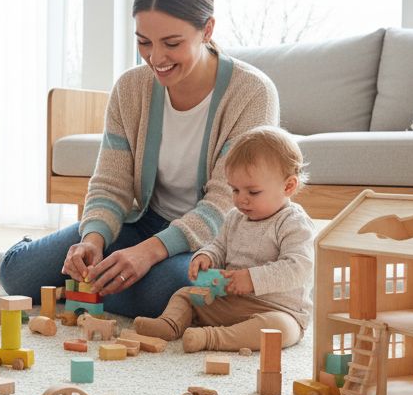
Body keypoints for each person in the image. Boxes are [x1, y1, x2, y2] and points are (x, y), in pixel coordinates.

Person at [0, 0, 280, 318]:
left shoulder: (252, 93)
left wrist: (148, 253)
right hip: (146, 220)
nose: (156, 58)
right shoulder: (131, 88)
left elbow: (226, 204)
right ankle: (57, 264)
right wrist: (93, 239)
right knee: (17, 275)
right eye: (144, 42)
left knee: (164, 292)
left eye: (172, 43)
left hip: (215, 241)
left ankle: (81, 287)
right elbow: (110, 183)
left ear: (207, 30)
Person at [133, 127, 314, 352]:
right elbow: (220, 246)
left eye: (253, 192)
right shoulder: (234, 217)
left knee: (279, 330)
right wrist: (207, 256)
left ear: (288, 186)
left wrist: (252, 279)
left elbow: (299, 268)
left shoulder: (293, 222)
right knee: (184, 294)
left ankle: (212, 338)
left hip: (276, 309)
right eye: (235, 190)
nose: (241, 200)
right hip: (231, 302)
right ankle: (169, 324)